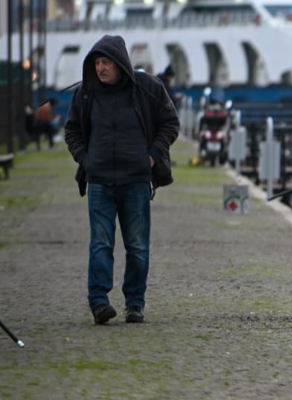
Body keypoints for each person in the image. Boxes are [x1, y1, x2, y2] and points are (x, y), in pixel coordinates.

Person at [64, 35, 179, 325]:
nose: (100, 68)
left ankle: (135, 304)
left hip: (136, 180)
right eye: (97, 63)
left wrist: (152, 155)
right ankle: (99, 302)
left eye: (106, 62)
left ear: (120, 64)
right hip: (100, 181)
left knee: (138, 245)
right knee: (100, 243)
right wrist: (86, 160)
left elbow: (170, 123)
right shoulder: (86, 94)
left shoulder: (148, 88)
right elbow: (72, 131)